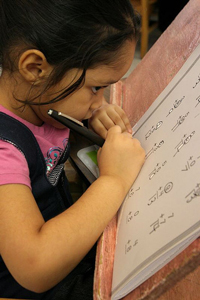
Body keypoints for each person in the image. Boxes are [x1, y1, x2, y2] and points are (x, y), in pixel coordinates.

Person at [0, 0, 145, 299]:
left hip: (65, 238)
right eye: (96, 88)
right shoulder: (4, 149)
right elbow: (34, 266)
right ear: (34, 67)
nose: (99, 99)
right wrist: (114, 180)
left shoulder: (42, 99)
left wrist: (94, 113)